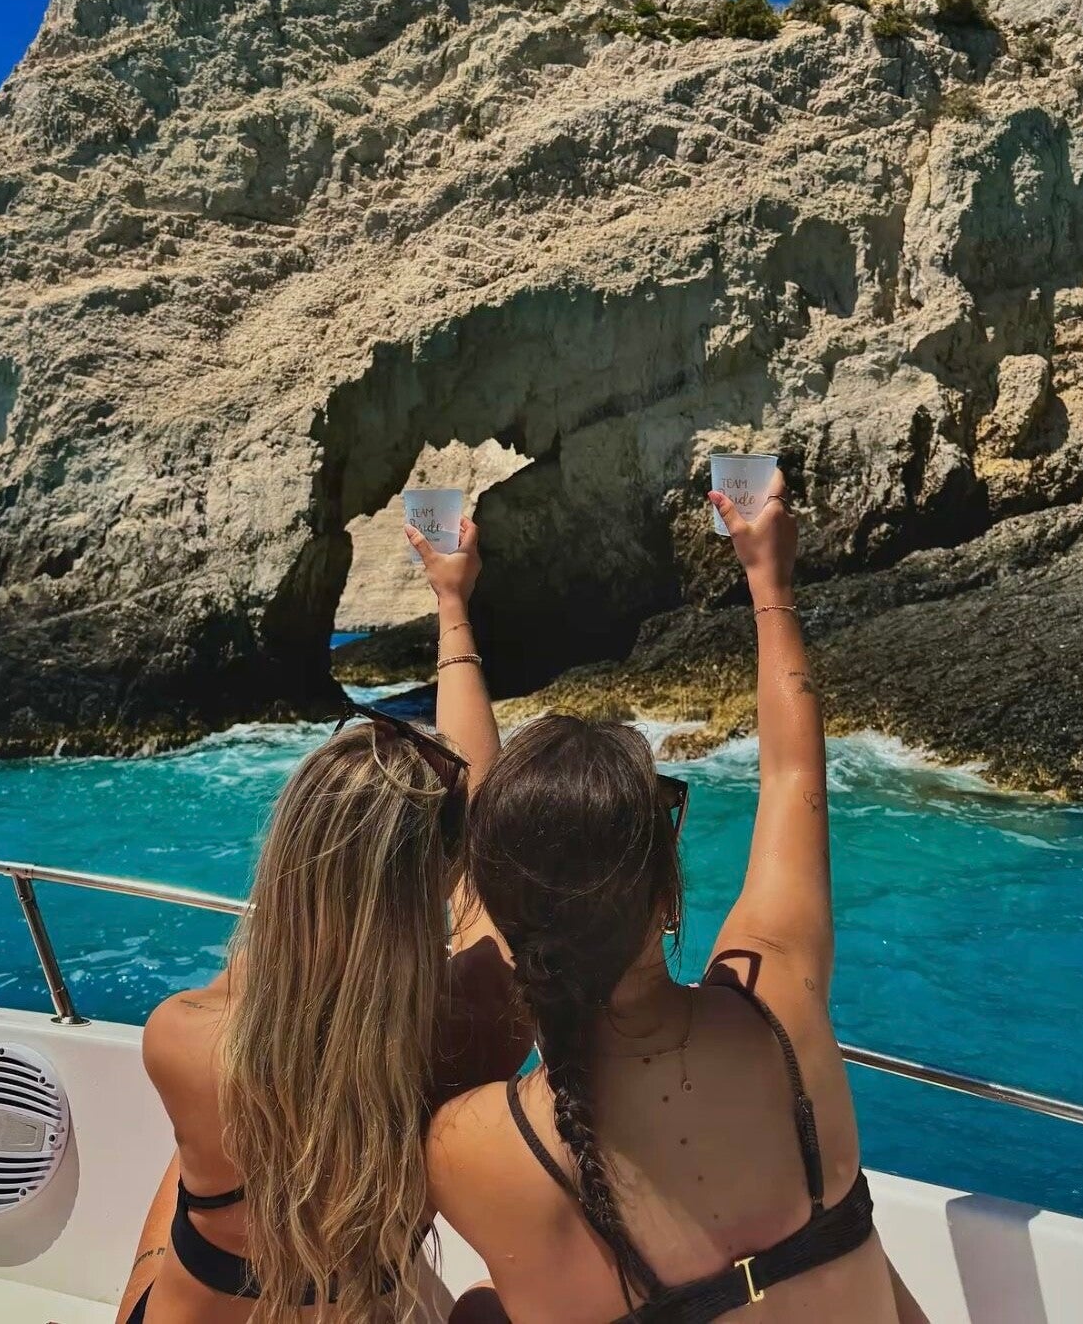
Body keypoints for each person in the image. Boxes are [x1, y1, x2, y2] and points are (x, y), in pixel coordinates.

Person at [427, 472, 929, 1324]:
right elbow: (792, 778)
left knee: (478, 1311)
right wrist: (768, 582)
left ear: (504, 925)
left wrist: (452, 608)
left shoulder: (474, 1147)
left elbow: (474, 814)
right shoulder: (780, 1008)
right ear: (666, 897)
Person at [116, 516, 530, 1324]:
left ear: (288, 856)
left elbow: (285, 992)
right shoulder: (475, 1026)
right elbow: (487, 841)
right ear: (446, 870)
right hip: (357, 1303)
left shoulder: (181, 1035)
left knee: (193, 1172)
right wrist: (453, 605)